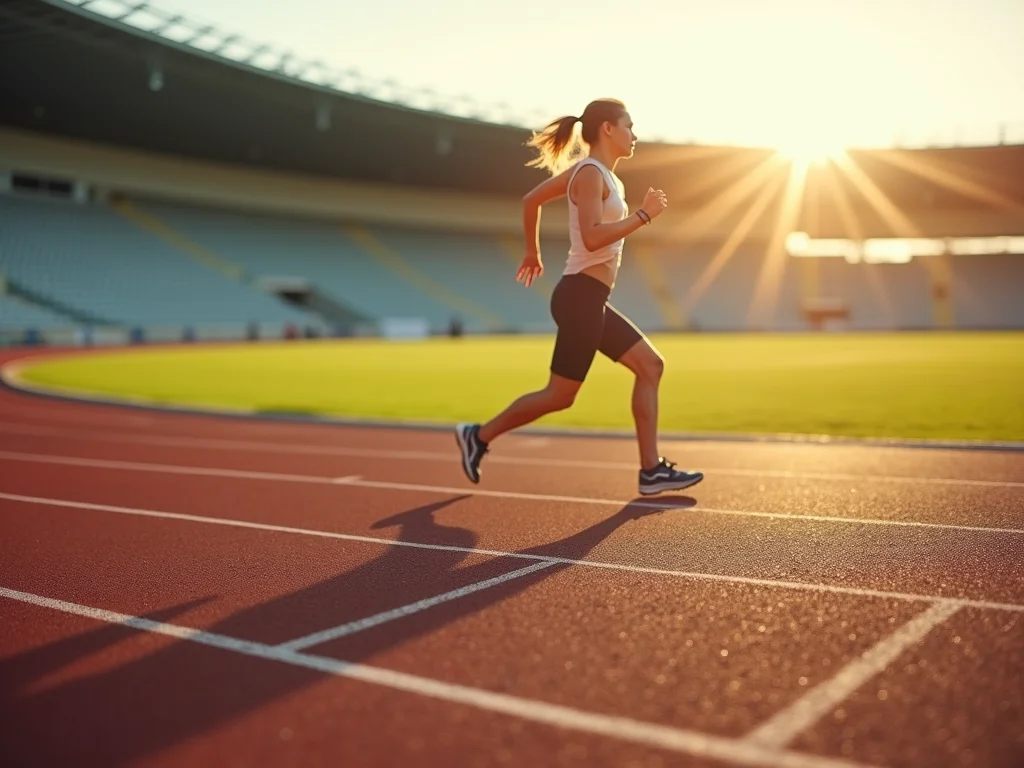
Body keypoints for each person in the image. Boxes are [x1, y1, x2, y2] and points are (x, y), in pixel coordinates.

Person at [455, 98, 703, 496]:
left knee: (650, 366)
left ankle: (651, 470)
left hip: (590, 298)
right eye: (629, 126)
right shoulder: (589, 174)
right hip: (579, 297)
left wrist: (532, 252)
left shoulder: (603, 176)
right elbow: (590, 235)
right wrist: (643, 216)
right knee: (560, 396)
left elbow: (530, 200)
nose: (634, 135)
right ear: (608, 129)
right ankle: (478, 435)